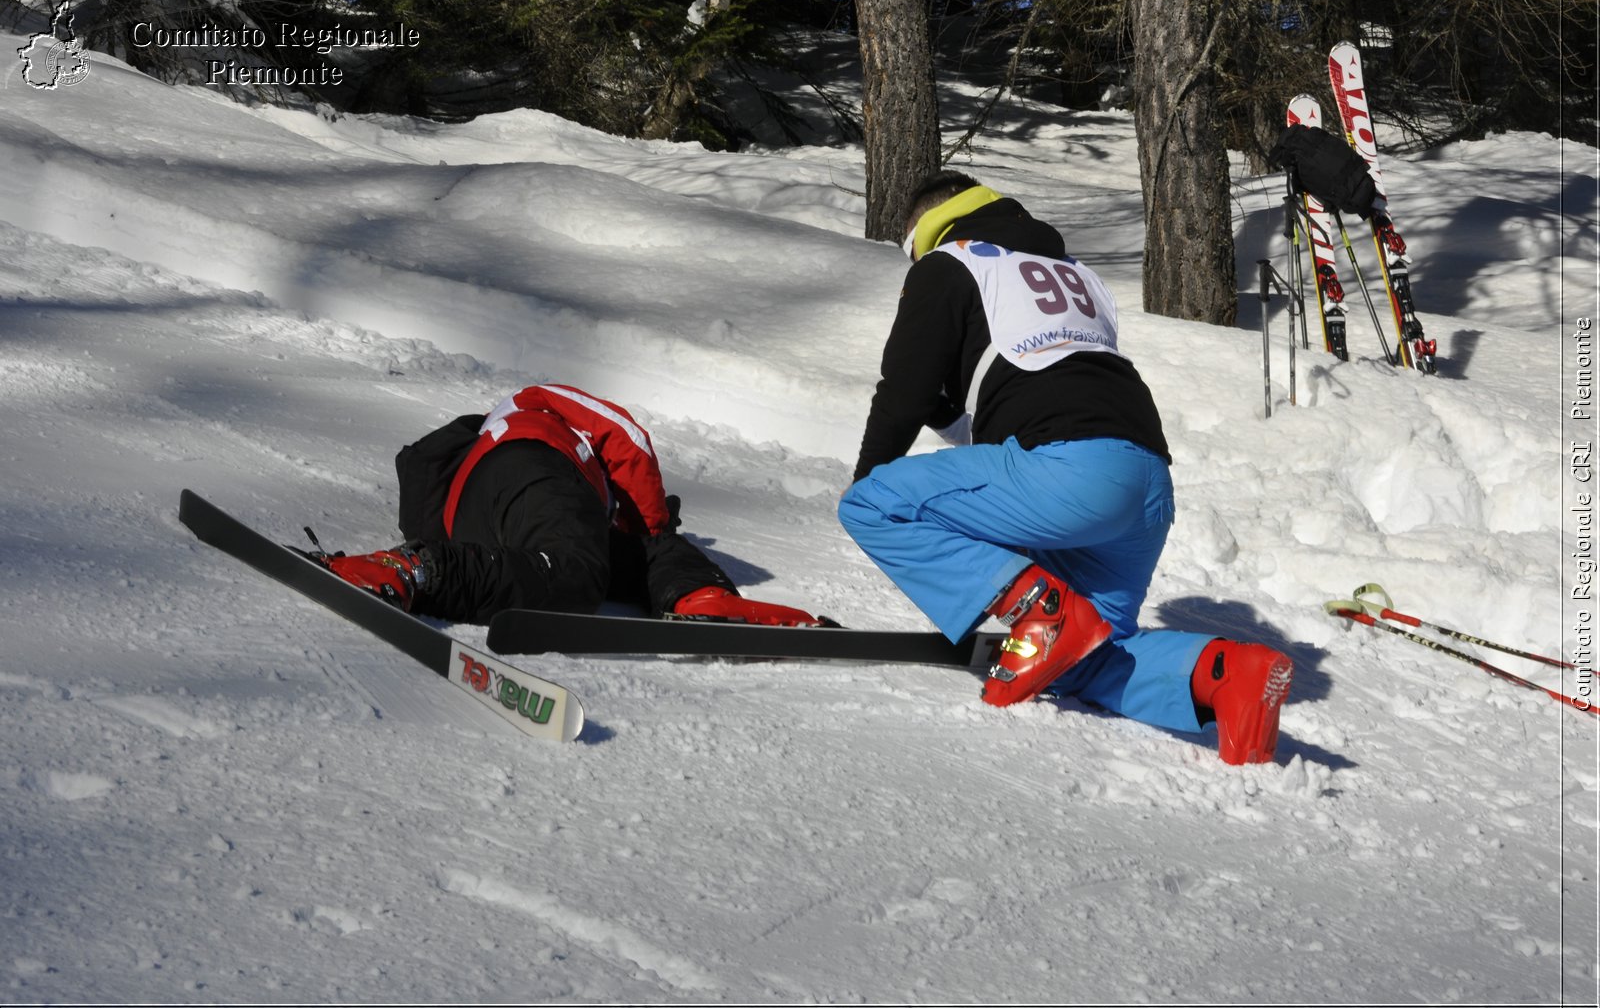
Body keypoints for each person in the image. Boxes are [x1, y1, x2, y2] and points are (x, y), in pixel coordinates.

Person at [836, 172, 1293, 764]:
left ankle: (1037, 609)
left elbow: (903, 392)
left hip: (1068, 471)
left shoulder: (950, 262)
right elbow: (1027, 386)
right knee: (1086, 654)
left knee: (873, 504)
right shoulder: (1075, 273)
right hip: (1146, 481)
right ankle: (1226, 674)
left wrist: (870, 478)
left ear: (928, 229)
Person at [318, 382, 823, 629]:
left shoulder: (470, 456)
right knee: (580, 575)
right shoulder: (532, 404)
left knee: (584, 566)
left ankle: (699, 598)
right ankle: (411, 570)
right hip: (535, 466)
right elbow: (626, 437)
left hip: (477, 517)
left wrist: (655, 547)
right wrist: (654, 525)